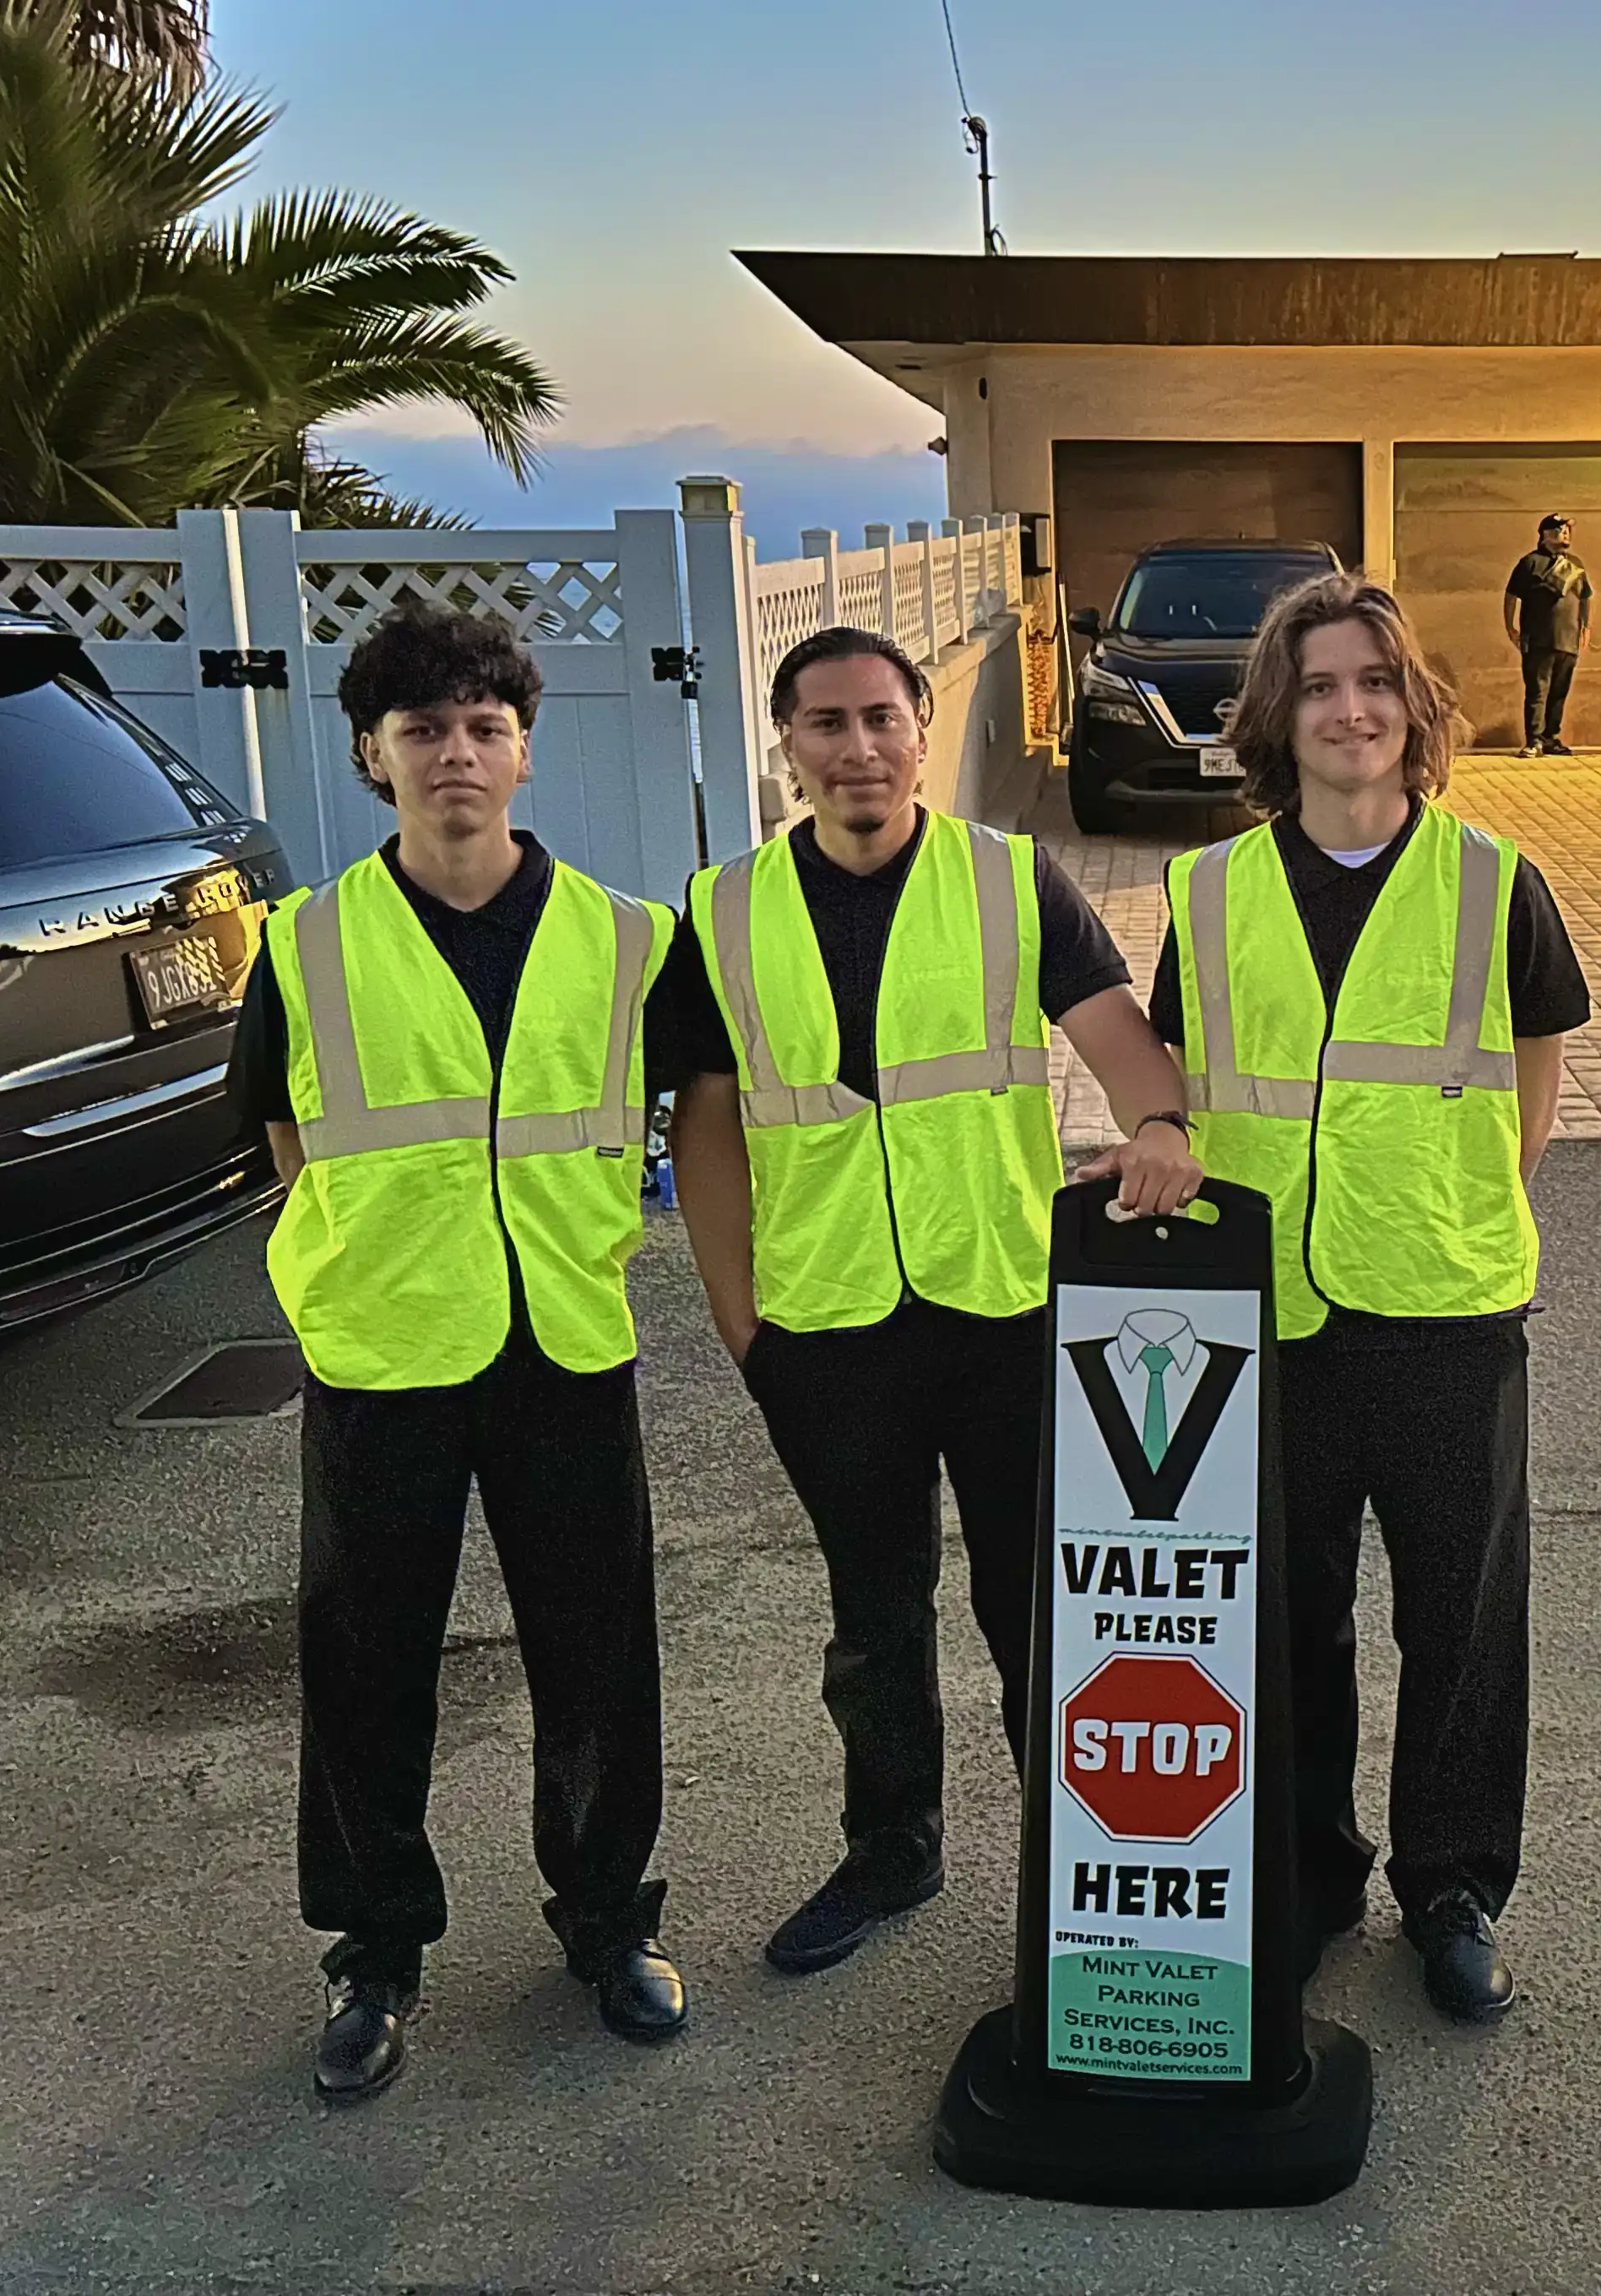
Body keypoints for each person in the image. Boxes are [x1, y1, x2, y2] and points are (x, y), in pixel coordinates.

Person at [655, 623, 1202, 1978]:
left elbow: (1126, 1046)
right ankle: (891, 1846)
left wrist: (1162, 1126)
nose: (858, 748)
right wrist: (741, 1320)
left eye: (882, 718)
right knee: (873, 1612)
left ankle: (1078, 1863)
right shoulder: (722, 911)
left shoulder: (1013, 882)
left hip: (1004, 1311)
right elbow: (708, 1124)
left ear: (920, 728)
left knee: (1038, 1610)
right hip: (827, 1327)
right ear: (787, 745)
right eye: (825, 723)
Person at [225, 601, 691, 2101]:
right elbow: (284, 1131)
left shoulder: (628, 939)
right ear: (372, 754)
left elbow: (703, 1121)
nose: (456, 754)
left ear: (526, 749)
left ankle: (607, 1918)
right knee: (366, 1662)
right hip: (381, 1352)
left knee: (597, 1650)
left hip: (562, 1336)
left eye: (485, 726)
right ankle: (375, 1947)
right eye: (422, 729)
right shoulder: (303, 940)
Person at [1147, 572, 1590, 2023]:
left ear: (1415, 711)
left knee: (1460, 1622)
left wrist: (1441, 1205)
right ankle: (1306, 1871)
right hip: (1267, 1321)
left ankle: (1451, 1885)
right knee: (1286, 1619)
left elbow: (1528, 1090)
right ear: (1279, 716)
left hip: (1447, 1312)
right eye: (1321, 685)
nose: (1350, 709)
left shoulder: (1493, 880)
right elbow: (1183, 1079)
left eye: (1376, 682)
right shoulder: (1204, 890)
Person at [1501, 513, 1592, 757]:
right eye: (1561, 530)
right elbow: (1511, 596)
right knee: (1537, 691)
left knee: (1559, 692)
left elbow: (1585, 598)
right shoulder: (1530, 563)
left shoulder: (1576, 564)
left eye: (1567, 530)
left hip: (1568, 640)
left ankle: (1551, 737)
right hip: (1538, 639)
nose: (1566, 534)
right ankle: (1534, 740)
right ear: (1545, 535)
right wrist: (1511, 628)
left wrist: (1585, 628)